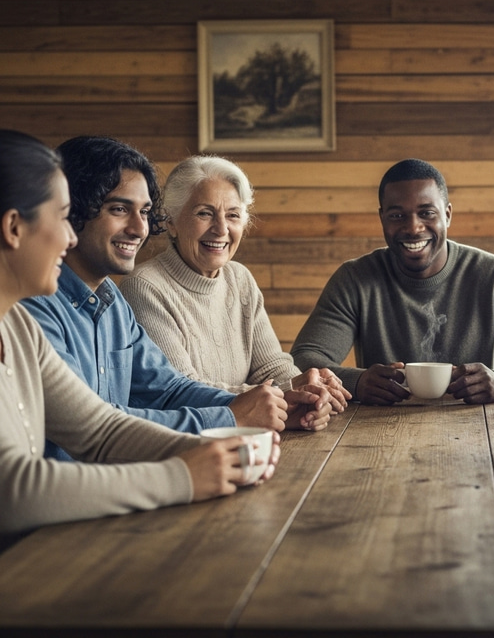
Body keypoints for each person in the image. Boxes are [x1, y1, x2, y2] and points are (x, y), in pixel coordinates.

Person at [0, 129, 280, 538]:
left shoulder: (18, 326)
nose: (69, 236)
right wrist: (183, 476)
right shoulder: (34, 312)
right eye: (62, 217)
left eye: (146, 212)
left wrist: (220, 451)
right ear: (13, 228)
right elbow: (13, 491)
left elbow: (99, 430)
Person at [22, 136, 321, 462]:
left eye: (146, 212)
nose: (139, 229)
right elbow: (97, 426)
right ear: (73, 210)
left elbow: (168, 390)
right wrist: (233, 417)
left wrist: (277, 404)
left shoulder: (112, 303)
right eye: (120, 209)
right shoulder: (33, 306)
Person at [291, 158, 494, 405]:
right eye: (397, 215)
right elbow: (303, 360)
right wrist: (357, 382)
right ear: (382, 219)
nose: (413, 228)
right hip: (377, 429)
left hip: (478, 429)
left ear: (447, 215)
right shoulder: (355, 279)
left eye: (426, 213)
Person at [119, 154, 349, 425]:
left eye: (233, 215)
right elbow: (180, 391)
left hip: (247, 435)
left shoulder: (240, 279)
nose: (221, 229)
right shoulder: (143, 286)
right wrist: (286, 392)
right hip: (188, 445)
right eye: (204, 213)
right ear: (171, 222)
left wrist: (310, 393)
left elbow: (271, 366)